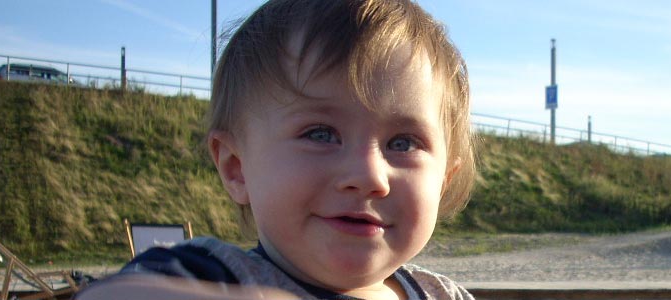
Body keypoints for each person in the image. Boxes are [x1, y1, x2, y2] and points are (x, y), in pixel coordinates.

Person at [78, 0, 475, 299]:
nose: (368, 175)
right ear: (237, 168)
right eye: (321, 134)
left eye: (403, 143)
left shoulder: (441, 294)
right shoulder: (211, 275)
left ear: (443, 182)